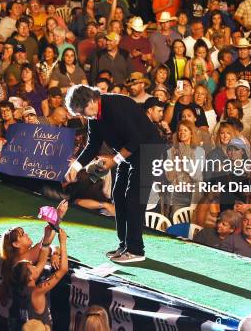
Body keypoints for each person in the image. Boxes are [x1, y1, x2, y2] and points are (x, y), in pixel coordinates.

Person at [65, 85, 164, 263]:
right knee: (118, 194)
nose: (85, 116)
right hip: (128, 153)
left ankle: (136, 250)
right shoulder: (95, 116)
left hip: (148, 149)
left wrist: (115, 160)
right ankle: (124, 244)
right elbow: (93, 144)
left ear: (92, 100)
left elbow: (137, 138)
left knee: (133, 198)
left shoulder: (115, 106)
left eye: (84, 111)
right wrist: (76, 166)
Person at [11, 228, 68, 330]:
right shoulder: (37, 292)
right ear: (30, 277)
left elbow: (42, 260)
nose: (35, 266)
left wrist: (46, 237)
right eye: (32, 266)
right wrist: (63, 242)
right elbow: (63, 269)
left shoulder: (20, 288)